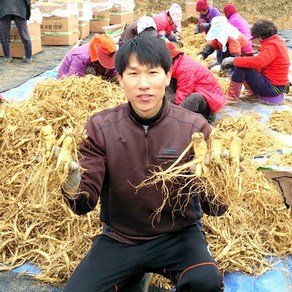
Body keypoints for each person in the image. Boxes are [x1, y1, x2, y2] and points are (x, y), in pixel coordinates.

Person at [61, 35, 225, 292]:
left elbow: (215, 207)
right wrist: (74, 184)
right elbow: (84, 201)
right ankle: (135, 275)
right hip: (122, 237)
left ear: (168, 76)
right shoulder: (101, 127)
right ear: (120, 79)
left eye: (152, 73)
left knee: (206, 283)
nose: (144, 84)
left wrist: (216, 180)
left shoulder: (194, 128)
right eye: (134, 74)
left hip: (178, 236)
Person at [222, 19, 290, 105]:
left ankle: (231, 98)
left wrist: (234, 60)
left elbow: (258, 62)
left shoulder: (272, 46)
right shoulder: (277, 41)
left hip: (273, 88)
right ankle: (251, 94)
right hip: (276, 85)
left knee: (242, 65)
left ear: (260, 37)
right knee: (246, 63)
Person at [165, 42, 226, 123]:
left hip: (207, 102)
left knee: (195, 98)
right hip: (194, 91)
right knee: (168, 81)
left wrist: (171, 102)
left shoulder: (185, 69)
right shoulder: (177, 63)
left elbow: (184, 92)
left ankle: (174, 119)